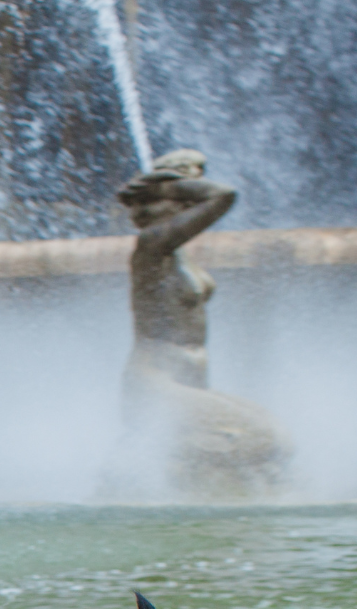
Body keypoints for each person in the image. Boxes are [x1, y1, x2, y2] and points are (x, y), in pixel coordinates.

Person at [116, 149, 286, 498]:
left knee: (272, 443)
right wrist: (175, 183)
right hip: (155, 384)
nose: (185, 206)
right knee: (264, 437)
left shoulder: (176, 253)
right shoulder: (152, 246)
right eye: (180, 195)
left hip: (188, 379)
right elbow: (223, 195)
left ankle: (199, 496)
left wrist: (176, 183)